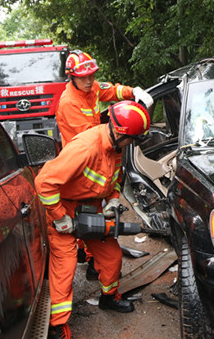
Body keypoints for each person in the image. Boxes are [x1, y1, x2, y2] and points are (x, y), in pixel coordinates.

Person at [35, 100, 150, 339]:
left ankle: (109, 298)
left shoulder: (117, 147)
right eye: (133, 138)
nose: (133, 144)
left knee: (112, 257)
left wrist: (113, 201)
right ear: (120, 132)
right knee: (64, 269)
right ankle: (57, 326)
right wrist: (59, 218)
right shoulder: (85, 147)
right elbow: (44, 183)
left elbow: (114, 179)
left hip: (92, 210)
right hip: (64, 210)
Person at [56, 50, 153, 277]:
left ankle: (91, 258)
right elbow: (88, 137)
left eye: (92, 75)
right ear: (71, 77)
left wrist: (133, 92)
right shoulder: (69, 102)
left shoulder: (92, 87)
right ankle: (93, 261)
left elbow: (112, 90)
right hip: (82, 160)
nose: (89, 80)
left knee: (92, 211)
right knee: (89, 210)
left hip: (96, 154)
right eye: (84, 77)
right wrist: (115, 126)